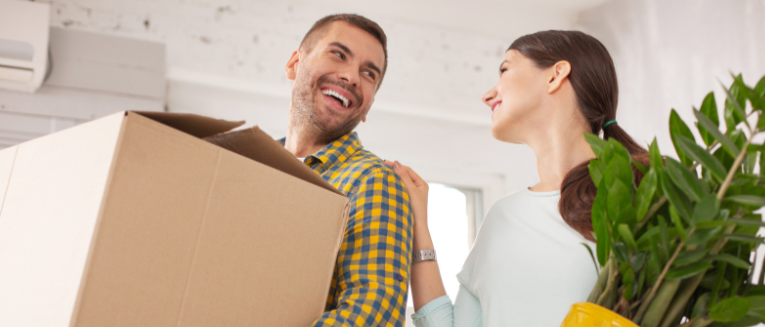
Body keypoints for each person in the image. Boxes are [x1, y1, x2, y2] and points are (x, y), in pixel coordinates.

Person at [386, 30, 649, 326]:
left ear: (556, 75)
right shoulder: (503, 217)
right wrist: (419, 221)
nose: (487, 95)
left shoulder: (639, 195)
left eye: (505, 69)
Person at [280, 14, 413, 327]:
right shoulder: (251, 165)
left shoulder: (373, 181)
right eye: (338, 54)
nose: (352, 77)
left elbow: (370, 316)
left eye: (369, 73)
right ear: (294, 64)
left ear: (367, 108)